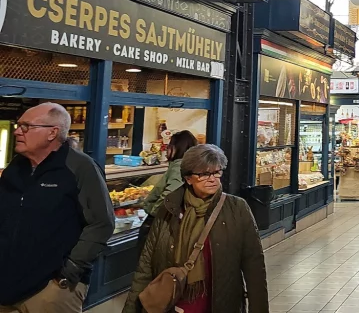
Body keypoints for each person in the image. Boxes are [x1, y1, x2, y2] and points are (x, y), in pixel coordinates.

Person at [121, 145, 269, 313]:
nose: (212, 179)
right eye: (204, 174)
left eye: (216, 172)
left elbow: (254, 264)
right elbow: (146, 264)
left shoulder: (237, 208)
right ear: (188, 178)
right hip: (175, 304)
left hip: (220, 304)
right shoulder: (170, 208)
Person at [0, 103, 115, 313]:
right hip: (7, 284)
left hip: (50, 290)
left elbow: (102, 223)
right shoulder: (15, 168)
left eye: (26, 126)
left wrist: (68, 272)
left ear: (52, 132)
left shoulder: (81, 168)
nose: (17, 131)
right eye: (18, 125)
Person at [141, 131, 199, 215]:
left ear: (176, 148)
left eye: (168, 147)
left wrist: (155, 212)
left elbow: (170, 194)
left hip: (165, 217)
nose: (166, 150)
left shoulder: (179, 167)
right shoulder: (193, 164)